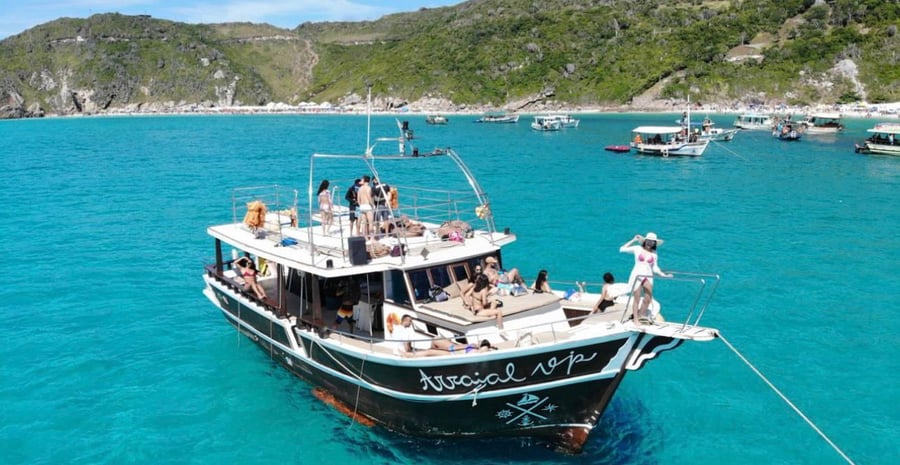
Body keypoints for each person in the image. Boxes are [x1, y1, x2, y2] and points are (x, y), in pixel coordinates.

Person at [620, 232, 672, 324]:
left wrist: (663, 274)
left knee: (648, 298)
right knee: (637, 298)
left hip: (648, 276)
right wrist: (633, 240)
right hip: (637, 276)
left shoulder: (654, 254)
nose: (650, 243)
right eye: (648, 241)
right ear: (645, 241)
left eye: (652, 242)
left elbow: (655, 267)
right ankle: (635, 319)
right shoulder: (637, 249)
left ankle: (640, 315)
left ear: (654, 243)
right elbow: (622, 249)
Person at [357, 175, 374, 240]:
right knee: (370, 223)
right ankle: (372, 238)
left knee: (364, 223)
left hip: (362, 206)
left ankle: (366, 237)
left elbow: (358, 199)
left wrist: (360, 205)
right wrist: (372, 205)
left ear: (364, 180)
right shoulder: (368, 188)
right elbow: (369, 197)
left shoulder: (360, 188)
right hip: (368, 206)